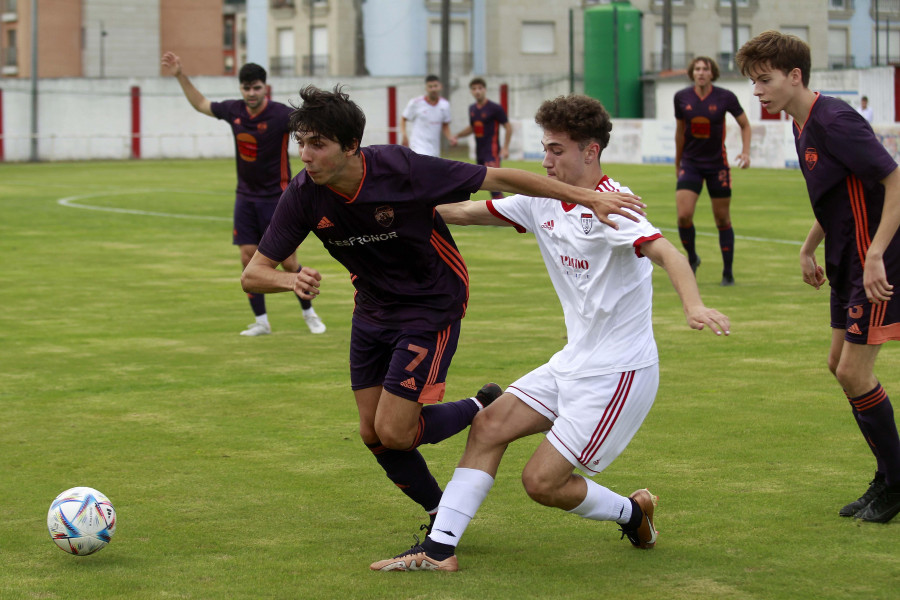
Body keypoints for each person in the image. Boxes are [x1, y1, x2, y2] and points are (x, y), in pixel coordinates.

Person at [241, 85, 648, 533]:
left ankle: (477, 408)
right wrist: (288, 278)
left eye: (317, 144)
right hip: (372, 309)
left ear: (351, 146)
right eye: (301, 143)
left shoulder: (400, 167)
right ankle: (440, 512)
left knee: (395, 431)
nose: (305, 155)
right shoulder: (303, 195)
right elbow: (253, 274)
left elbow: (501, 177)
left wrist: (589, 198)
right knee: (371, 433)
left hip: (431, 302)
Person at [370, 94, 731, 572]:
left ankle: (632, 512)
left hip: (618, 373)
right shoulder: (540, 199)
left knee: (541, 484)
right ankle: (439, 552)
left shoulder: (613, 205)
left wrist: (694, 304)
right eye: (545, 148)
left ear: (591, 151)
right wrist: (390, 203)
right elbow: (458, 212)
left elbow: (669, 253)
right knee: (489, 425)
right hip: (572, 361)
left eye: (557, 150)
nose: (546, 160)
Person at [737, 31, 900, 523]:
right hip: (845, 261)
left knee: (854, 371)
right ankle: (888, 474)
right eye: (753, 82)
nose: (758, 91)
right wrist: (810, 247)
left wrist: (876, 256)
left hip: (874, 263)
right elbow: (836, 195)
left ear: (795, 76)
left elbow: (895, 182)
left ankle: (896, 481)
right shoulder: (801, 123)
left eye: (765, 80)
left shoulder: (834, 120)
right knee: (839, 365)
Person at [160, 52, 326, 337]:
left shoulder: (280, 115)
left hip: (277, 198)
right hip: (245, 198)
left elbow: (311, 124)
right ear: (241, 89)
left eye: (256, 87)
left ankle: (308, 312)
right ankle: (262, 322)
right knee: (248, 260)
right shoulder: (234, 111)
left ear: (265, 87)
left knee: (287, 261)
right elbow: (201, 104)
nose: (251, 93)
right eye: (246, 87)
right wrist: (179, 75)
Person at [674, 56, 752, 286]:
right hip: (691, 164)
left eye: (705, 69)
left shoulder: (725, 97)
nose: (700, 72)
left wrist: (746, 152)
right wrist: (678, 163)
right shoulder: (681, 97)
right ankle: (692, 258)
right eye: (696, 68)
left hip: (717, 165)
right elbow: (680, 132)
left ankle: (728, 273)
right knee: (683, 215)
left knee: (722, 219)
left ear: (712, 73)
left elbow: (745, 125)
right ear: (692, 72)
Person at [455, 77, 513, 199]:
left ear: (485, 90)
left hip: (491, 152)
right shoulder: (472, 109)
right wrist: (457, 136)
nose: (477, 91)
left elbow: (508, 127)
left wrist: (505, 148)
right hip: (479, 153)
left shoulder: (495, 108)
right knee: (483, 184)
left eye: (480, 88)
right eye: (474, 89)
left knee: (494, 186)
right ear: (471, 91)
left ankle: (505, 214)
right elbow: (472, 127)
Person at [400, 74, 457, 156]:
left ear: (440, 87)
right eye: (430, 87)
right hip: (418, 147)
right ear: (426, 88)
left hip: (434, 148)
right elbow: (403, 118)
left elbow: (445, 125)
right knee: (422, 167)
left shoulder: (445, 104)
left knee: (433, 168)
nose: (433, 89)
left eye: (435, 86)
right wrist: (404, 135)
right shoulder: (416, 103)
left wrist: (450, 138)